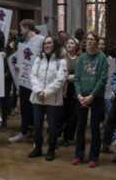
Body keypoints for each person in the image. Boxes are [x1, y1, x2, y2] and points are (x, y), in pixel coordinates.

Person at [73, 31, 108, 167]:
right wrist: (80, 95)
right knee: (80, 126)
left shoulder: (102, 58)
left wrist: (92, 95)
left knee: (94, 127)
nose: (89, 41)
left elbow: (102, 79)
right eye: (87, 39)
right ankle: (78, 155)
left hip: (95, 97)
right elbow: (76, 79)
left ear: (97, 42)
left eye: (92, 39)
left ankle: (94, 157)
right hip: (82, 97)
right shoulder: (81, 58)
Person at [28, 35, 66, 161]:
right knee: (37, 125)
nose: (47, 45)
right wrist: (39, 91)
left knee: (52, 126)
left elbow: (60, 80)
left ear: (54, 45)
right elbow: (33, 75)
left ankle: (51, 149)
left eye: (49, 43)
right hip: (38, 97)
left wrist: (47, 92)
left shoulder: (61, 61)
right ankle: (37, 148)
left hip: (52, 99)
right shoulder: (38, 59)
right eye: (45, 43)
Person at [9, 19, 40, 143]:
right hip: (24, 78)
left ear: (27, 27)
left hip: (35, 79)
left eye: (22, 28)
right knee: (24, 106)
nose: (21, 31)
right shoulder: (24, 42)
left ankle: (35, 134)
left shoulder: (41, 40)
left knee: (35, 106)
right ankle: (24, 131)